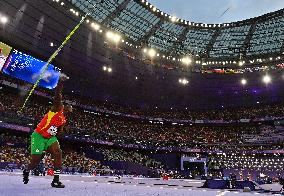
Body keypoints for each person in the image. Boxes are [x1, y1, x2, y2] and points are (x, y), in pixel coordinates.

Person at [23, 73, 72, 188]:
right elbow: (58, 95)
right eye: (69, 106)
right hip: (39, 135)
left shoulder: (63, 120)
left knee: (58, 153)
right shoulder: (57, 108)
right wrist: (60, 82)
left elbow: (59, 133)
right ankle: (27, 170)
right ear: (64, 107)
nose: (71, 107)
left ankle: (56, 180)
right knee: (35, 161)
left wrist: (60, 131)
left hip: (50, 137)